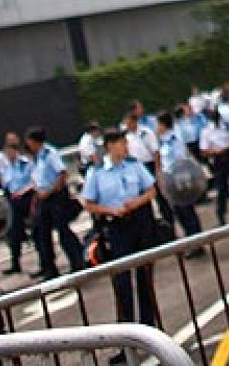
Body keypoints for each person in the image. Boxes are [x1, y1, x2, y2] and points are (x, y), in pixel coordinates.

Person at [78, 129, 159, 336]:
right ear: (110, 146)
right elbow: (88, 203)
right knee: (122, 281)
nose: (126, 147)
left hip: (139, 223)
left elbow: (151, 190)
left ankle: (150, 329)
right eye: (123, 143)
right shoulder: (97, 172)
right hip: (116, 227)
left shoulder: (134, 165)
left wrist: (136, 202)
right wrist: (110, 210)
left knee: (145, 277)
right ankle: (127, 334)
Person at [23, 128, 86, 279]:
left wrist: (51, 190)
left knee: (63, 230)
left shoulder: (50, 154)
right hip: (42, 198)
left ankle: (77, 261)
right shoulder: (36, 157)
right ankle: (49, 268)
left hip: (55, 197)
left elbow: (62, 174)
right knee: (42, 233)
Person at [154, 113, 205, 245]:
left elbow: (180, 161)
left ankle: (196, 242)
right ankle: (192, 241)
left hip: (179, 181)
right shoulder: (162, 141)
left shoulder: (174, 140)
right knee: (180, 213)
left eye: (158, 124)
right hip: (171, 181)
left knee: (186, 212)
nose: (156, 127)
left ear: (163, 125)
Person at [0, 142, 34, 276]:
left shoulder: (25, 163)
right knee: (13, 233)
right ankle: (15, 264)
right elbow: (4, 182)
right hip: (13, 200)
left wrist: (23, 192)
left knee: (37, 231)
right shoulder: (7, 168)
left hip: (27, 197)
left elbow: (34, 180)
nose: (8, 155)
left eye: (10, 152)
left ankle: (46, 263)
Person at [200, 109, 229, 224]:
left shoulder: (227, 125)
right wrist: (215, 151)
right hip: (219, 158)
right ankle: (221, 216)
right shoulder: (206, 131)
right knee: (221, 189)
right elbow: (203, 151)